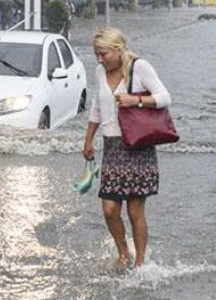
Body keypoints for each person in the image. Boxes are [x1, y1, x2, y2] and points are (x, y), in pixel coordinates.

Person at [83, 28, 171, 270]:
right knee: (109, 209)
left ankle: (140, 263)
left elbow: (165, 97)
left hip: (137, 146)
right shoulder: (100, 71)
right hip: (112, 147)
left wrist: (137, 100)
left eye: (103, 54)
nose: (100, 59)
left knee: (134, 211)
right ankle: (123, 254)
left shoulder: (139, 67)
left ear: (118, 49)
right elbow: (96, 107)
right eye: (96, 54)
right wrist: (88, 140)